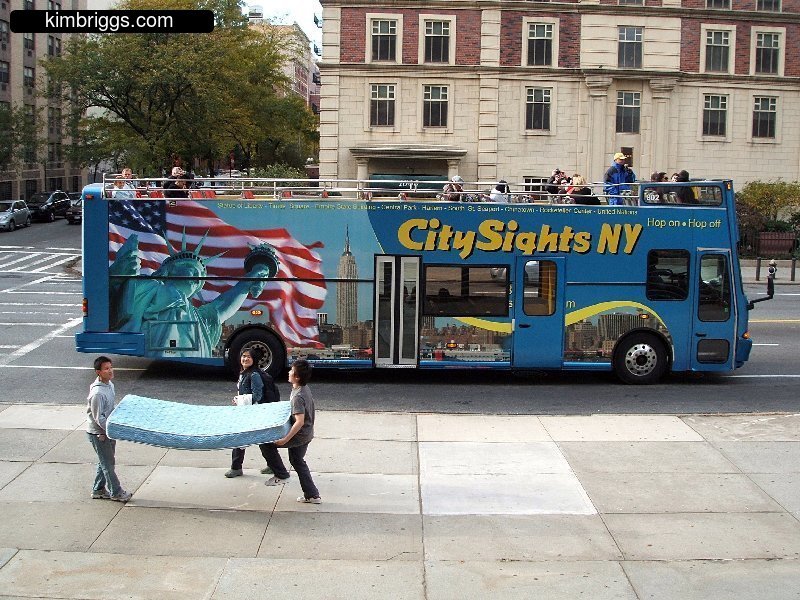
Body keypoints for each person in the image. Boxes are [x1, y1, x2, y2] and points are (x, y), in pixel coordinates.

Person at [109, 234, 278, 358]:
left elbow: (223, 305)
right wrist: (117, 274)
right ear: (167, 271)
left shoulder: (200, 316)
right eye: (192, 270)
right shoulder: (148, 288)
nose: (197, 278)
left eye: (200, 277)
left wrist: (252, 277)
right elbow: (110, 301)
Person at [261, 359, 321, 504]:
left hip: (299, 436)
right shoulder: (303, 388)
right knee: (297, 461)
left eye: (291, 371)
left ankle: (281, 475)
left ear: (297, 377)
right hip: (307, 433)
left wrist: (284, 440)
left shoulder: (298, 396)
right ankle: (312, 495)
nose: (288, 373)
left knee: (266, 444)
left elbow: (299, 421)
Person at [86, 356, 132, 502]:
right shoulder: (97, 393)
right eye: (106, 369)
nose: (110, 371)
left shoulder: (109, 385)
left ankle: (98, 489)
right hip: (99, 433)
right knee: (108, 464)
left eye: (111, 367)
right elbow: (98, 418)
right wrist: (110, 430)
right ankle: (116, 492)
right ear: (98, 372)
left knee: (105, 461)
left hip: (108, 430)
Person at [225, 347, 275, 478]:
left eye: (249, 357)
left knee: (250, 439)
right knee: (249, 439)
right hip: (246, 411)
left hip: (253, 413)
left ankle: (237, 468)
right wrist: (239, 400)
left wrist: (240, 400)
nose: (245, 359)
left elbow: (257, 396)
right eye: (243, 356)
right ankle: (237, 467)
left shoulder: (254, 375)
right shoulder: (244, 373)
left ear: (254, 360)